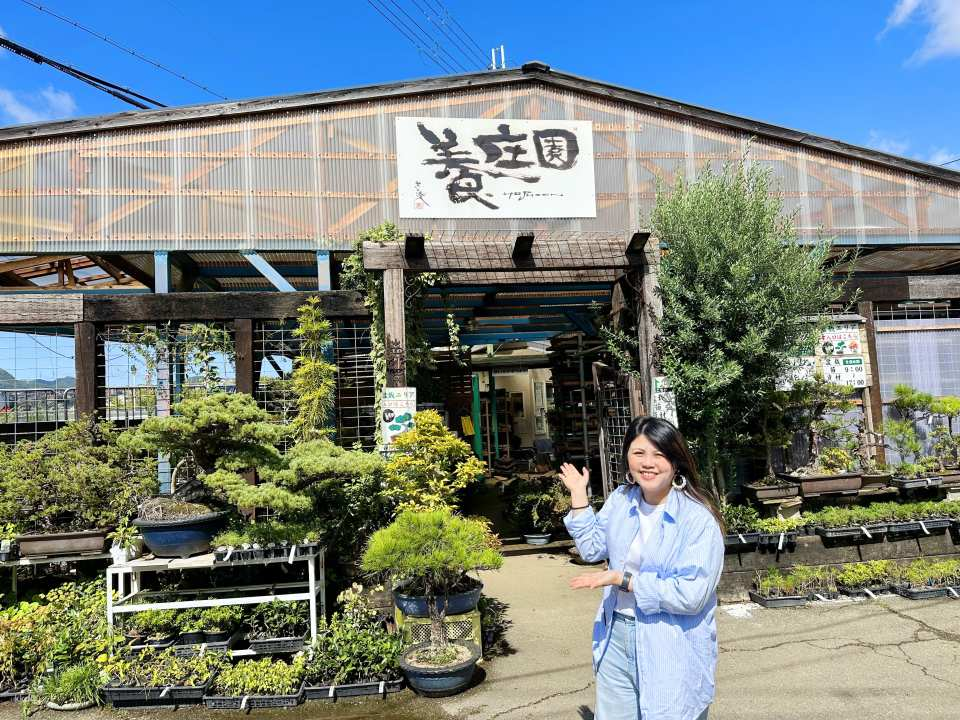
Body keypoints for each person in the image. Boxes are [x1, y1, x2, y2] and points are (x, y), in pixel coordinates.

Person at [560, 416, 725, 720]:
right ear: (627, 459)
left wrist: (625, 580)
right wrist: (579, 496)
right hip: (616, 632)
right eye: (638, 453)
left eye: (659, 454)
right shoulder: (622, 500)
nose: (648, 463)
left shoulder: (698, 520)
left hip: (670, 638)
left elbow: (692, 594)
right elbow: (593, 549)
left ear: (676, 462)